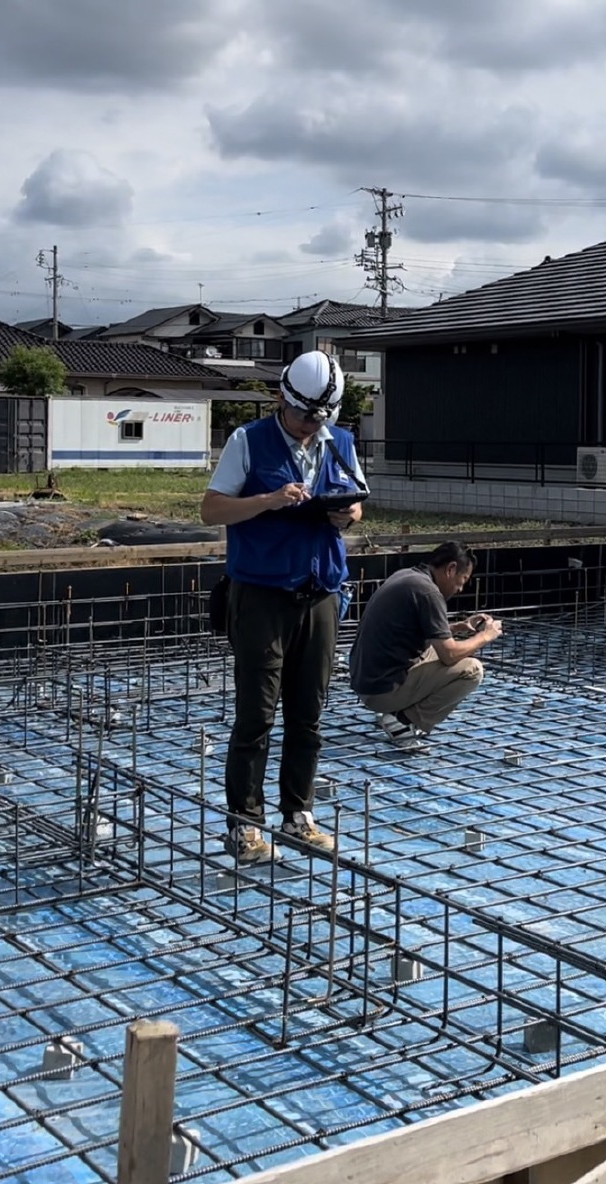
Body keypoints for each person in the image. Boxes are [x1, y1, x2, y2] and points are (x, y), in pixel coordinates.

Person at [201, 350, 367, 862]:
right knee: (256, 714)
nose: (309, 426)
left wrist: (347, 517)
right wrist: (268, 500)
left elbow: (355, 503)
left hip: (320, 595)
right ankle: (244, 824)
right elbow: (211, 509)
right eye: (302, 416)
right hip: (262, 595)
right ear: (282, 399)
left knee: (308, 715)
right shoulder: (247, 441)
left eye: (320, 418)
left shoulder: (339, 443)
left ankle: (298, 814)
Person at [348, 542, 503, 751]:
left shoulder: (407, 576)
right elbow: (448, 655)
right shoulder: (428, 593)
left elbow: (409, 629)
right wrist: (485, 636)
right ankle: (402, 720)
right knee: (471, 670)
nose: (460, 589)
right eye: (463, 580)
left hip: (367, 682)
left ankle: (395, 713)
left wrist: (456, 627)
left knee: (439, 650)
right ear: (451, 569)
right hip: (382, 691)